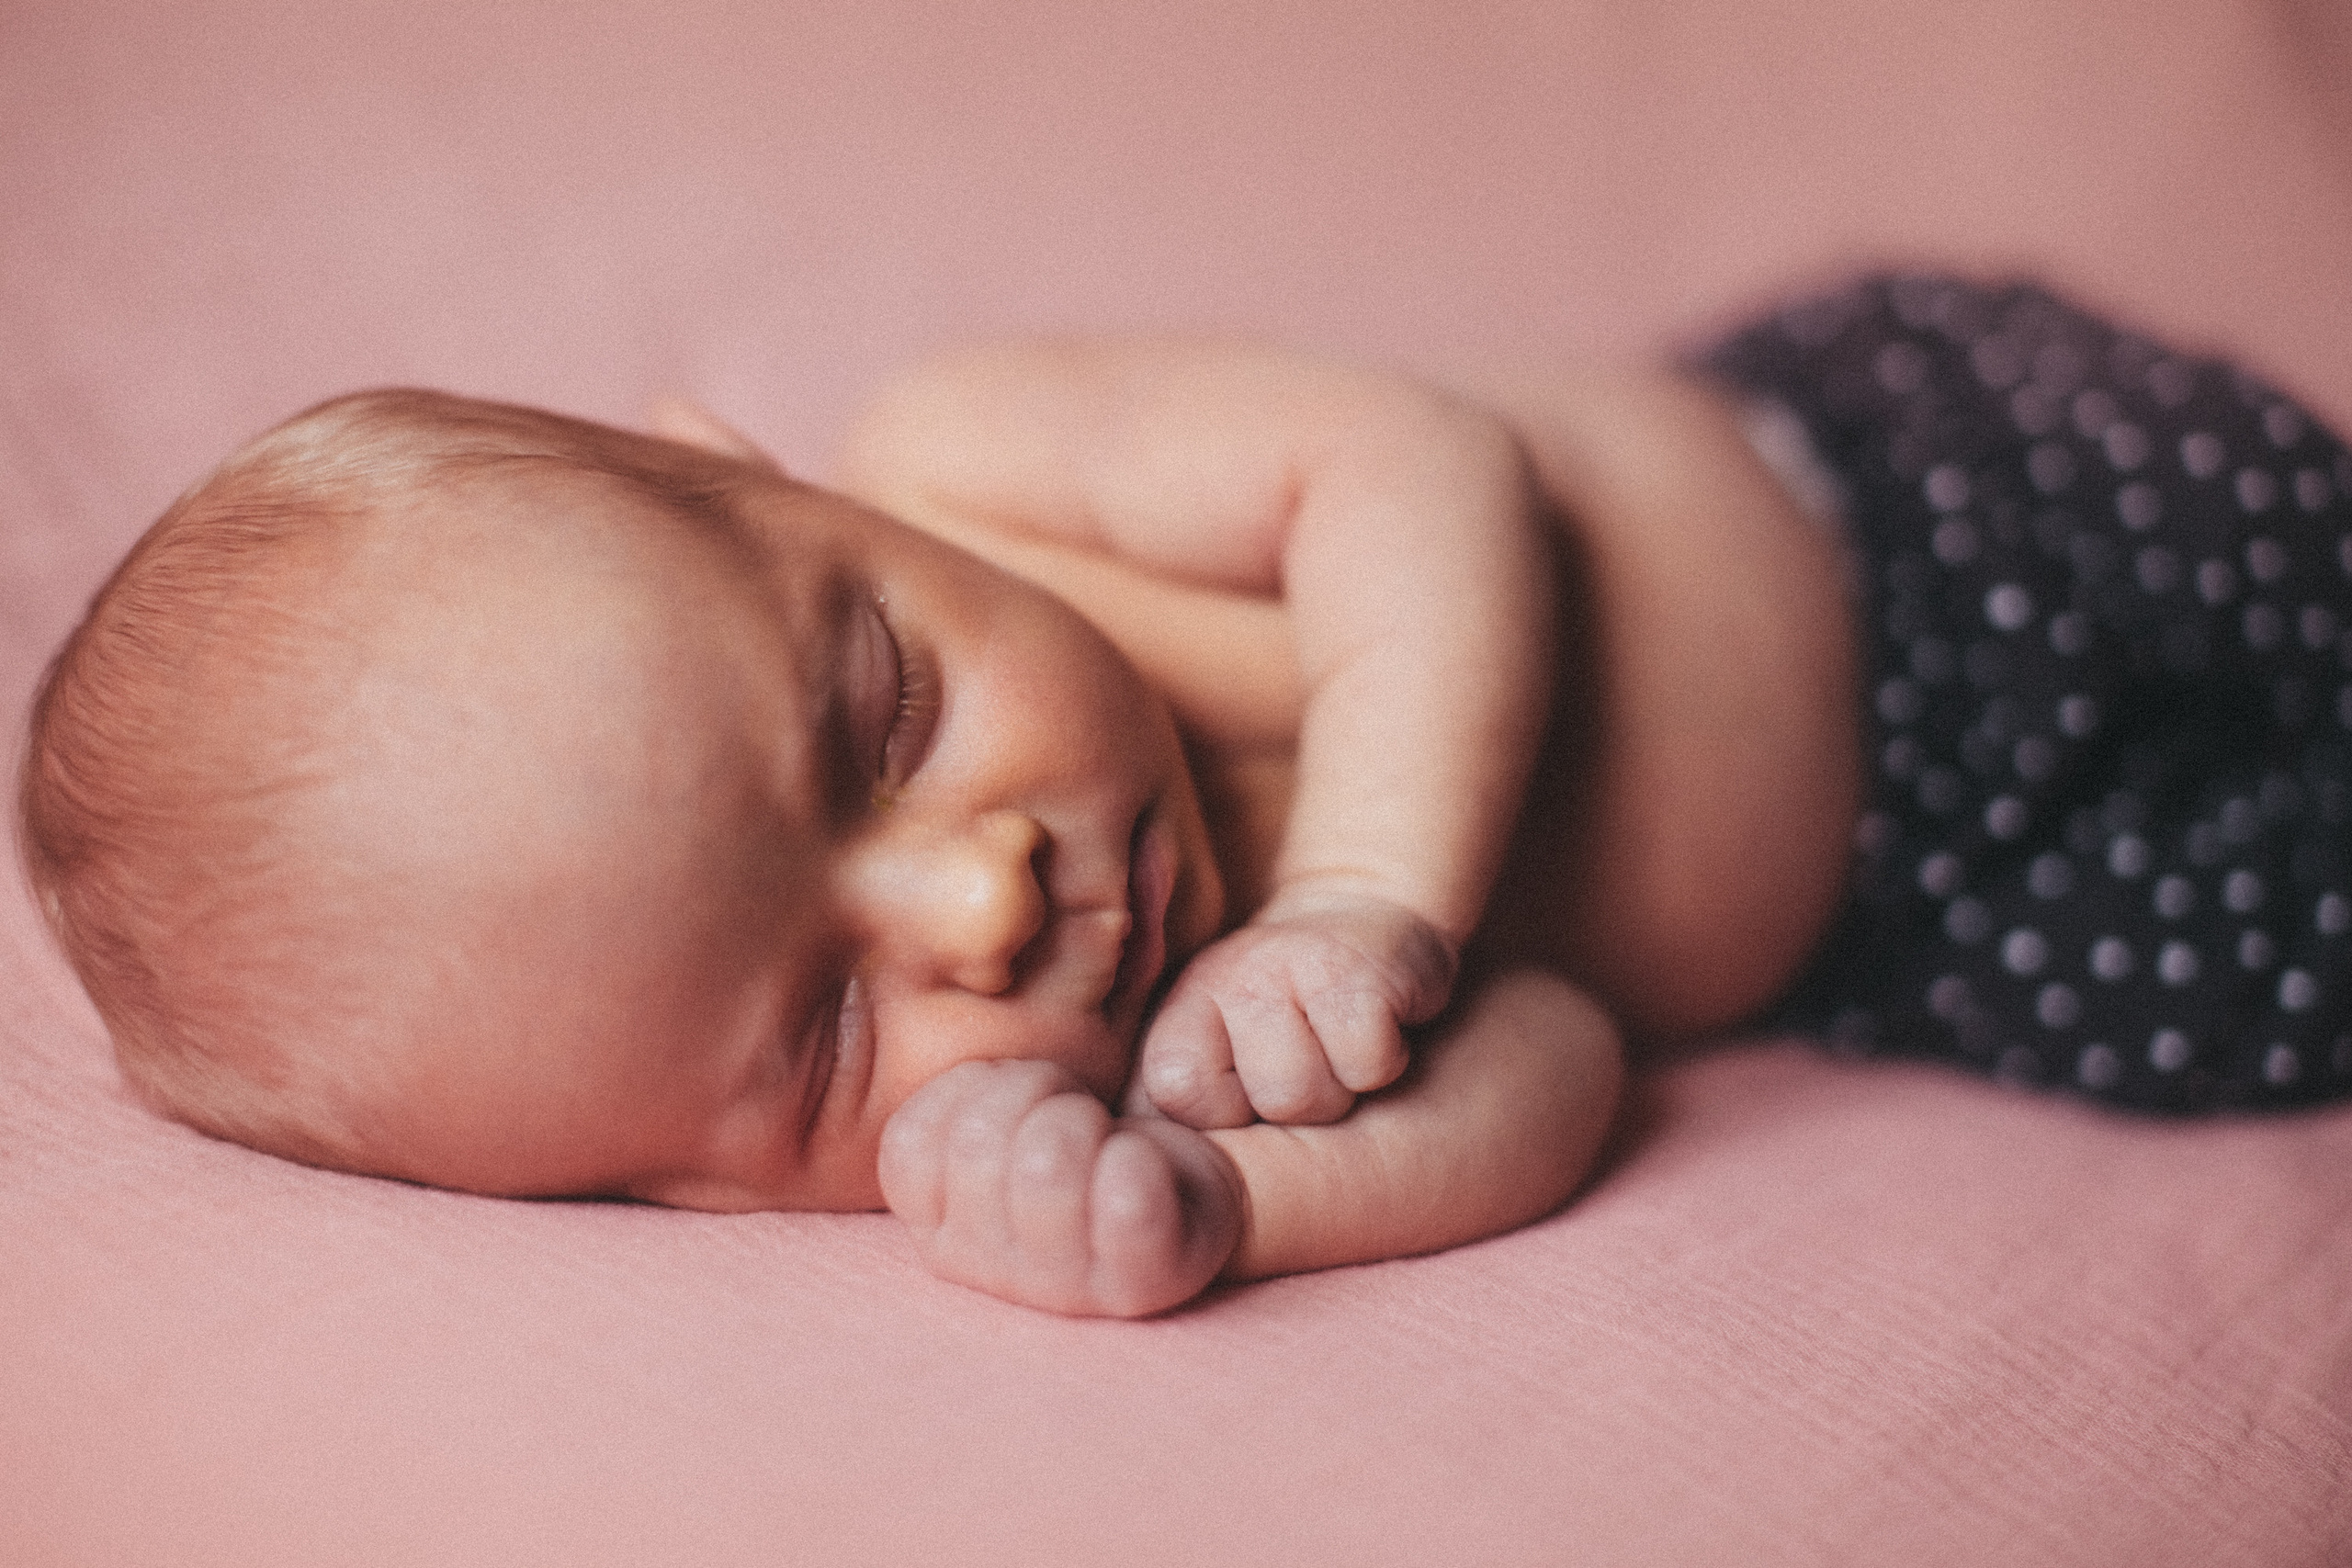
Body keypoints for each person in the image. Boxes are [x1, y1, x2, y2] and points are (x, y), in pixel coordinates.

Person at [23, 275, 2346, 1317]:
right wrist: (1221, 1194)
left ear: (741, 472)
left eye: (875, 712)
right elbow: (1554, 1066)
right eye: (828, 1033)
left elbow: (1417, 464)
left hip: (1925, 503)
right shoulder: (1138, 1049)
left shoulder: (981, 455)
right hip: (1934, 908)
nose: (972, 900)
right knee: (2282, 990)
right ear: (694, 1205)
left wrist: (1357, 891)